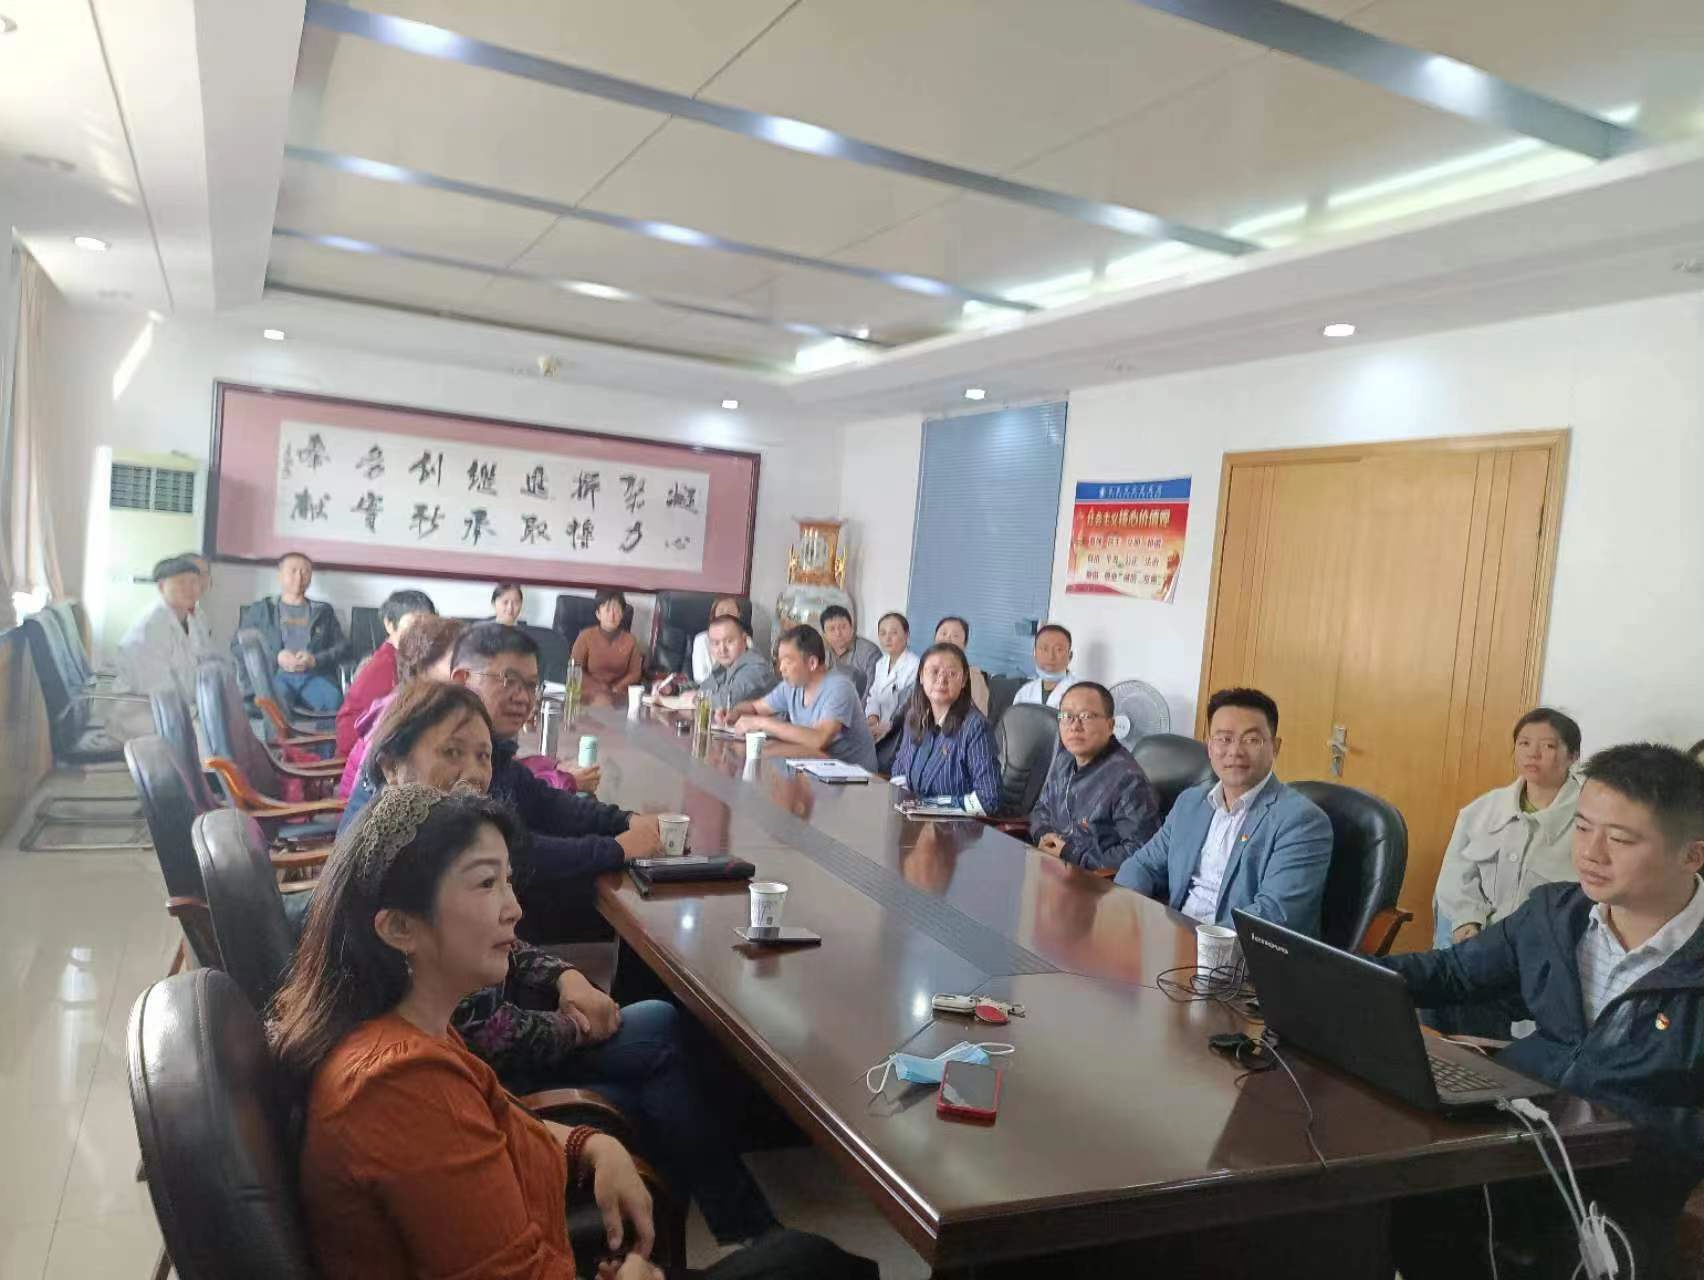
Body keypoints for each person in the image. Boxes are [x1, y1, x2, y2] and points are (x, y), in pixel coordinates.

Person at [271, 784, 874, 1280]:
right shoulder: (400, 1085)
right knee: (816, 1267)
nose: (514, 908)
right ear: (399, 928)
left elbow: (498, 1119)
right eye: (484, 884)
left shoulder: (411, 1029)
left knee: (808, 1260)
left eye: (509, 881)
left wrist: (590, 1145)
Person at [356, 695, 779, 1245]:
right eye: (452, 752)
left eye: (483, 756)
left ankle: (700, 1232)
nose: (475, 772)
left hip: (488, 1054)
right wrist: (577, 1024)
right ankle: (705, 1233)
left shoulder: (430, 836)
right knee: (658, 1063)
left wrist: (565, 978)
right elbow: (482, 1032)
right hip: (492, 1078)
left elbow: (496, 936)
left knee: (658, 1028)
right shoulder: (391, 867)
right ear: (392, 764)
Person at [1384, 743, 1704, 1280]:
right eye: (1582, 827)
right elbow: (1452, 973)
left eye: (1620, 839)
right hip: (1509, 1138)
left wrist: (1608, 1124)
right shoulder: (1557, 913)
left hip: (1619, 1180)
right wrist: (1335, 970)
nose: (1591, 853)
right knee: (1379, 1202)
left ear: (1692, 855)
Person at [1114, 688, 1333, 935]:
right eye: (1224, 739)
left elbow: (1274, 916)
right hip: (1175, 936)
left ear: (1275, 747)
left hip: (1237, 952)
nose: (1235, 751)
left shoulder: (1302, 821)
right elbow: (1142, 865)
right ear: (1210, 747)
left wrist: (1196, 943)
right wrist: (1125, 910)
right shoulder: (1191, 802)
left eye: (1252, 740)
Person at [1434, 708, 1584, 947]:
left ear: (1573, 756)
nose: (1532, 753)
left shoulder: (1591, 819)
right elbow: (1455, 875)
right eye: (1524, 743)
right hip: (1475, 940)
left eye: (1548, 746)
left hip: (1544, 948)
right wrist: (1467, 920)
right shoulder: (1481, 810)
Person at [1028, 682, 1161, 871]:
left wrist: (1072, 854)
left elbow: (1140, 852)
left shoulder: (1127, 780)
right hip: (1052, 867)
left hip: (1093, 881)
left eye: (1087, 716)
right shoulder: (1064, 759)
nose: (1075, 726)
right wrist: (1043, 834)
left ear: (1110, 725)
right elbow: (1041, 808)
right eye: (1067, 716)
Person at [338, 615, 465, 798]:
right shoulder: (402, 714)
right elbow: (371, 795)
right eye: (457, 661)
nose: (467, 670)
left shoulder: (447, 706)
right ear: (422, 666)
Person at [726, 625, 878, 772]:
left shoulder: (839, 687)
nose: (781, 668)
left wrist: (761, 723)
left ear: (812, 663)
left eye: (788, 661)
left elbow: (819, 739)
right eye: (780, 661)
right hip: (814, 767)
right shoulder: (791, 686)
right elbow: (755, 708)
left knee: (769, 754)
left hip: (854, 778)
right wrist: (734, 713)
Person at [889, 643, 1000, 815]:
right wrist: (905, 803)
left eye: (951, 674)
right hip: (913, 821)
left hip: (958, 828)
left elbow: (988, 799)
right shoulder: (914, 716)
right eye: (934, 672)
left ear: (964, 680)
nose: (941, 680)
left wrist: (928, 806)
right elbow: (899, 771)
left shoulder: (975, 727)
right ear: (921, 676)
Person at [234, 550, 349, 713]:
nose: (299, 577)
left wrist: (315, 660)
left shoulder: (323, 611)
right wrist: (276, 657)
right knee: (274, 707)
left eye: (305, 572)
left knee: (334, 701)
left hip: (312, 675)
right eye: (293, 571)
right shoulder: (261, 610)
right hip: (276, 676)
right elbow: (238, 646)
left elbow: (342, 647)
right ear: (280, 576)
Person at [109, 556, 210, 741]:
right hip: (144, 713)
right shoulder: (150, 628)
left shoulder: (194, 619)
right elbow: (160, 689)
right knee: (207, 739)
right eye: (181, 582)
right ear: (161, 587)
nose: (189, 588)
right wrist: (198, 712)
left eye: (194, 582)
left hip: (178, 709)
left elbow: (206, 664)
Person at [335, 589, 436, 757]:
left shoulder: (407, 659)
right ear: (389, 624)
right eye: (413, 625)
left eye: (428, 626)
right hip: (362, 758)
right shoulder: (384, 666)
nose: (421, 633)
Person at [570, 588, 642, 706]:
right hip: (589, 695)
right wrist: (599, 688)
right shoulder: (585, 636)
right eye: (607, 610)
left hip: (619, 695)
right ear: (598, 614)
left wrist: (617, 688)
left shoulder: (630, 640)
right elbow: (575, 670)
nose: (612, 615)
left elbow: (635, 673)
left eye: (617, 610)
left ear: (622, 614)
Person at [695, 613, 774, 709]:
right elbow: (703, 690)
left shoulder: (756, 668)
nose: (722, 649)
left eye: (729, 641)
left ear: (744, 640)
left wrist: (697, 699)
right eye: (716, 643)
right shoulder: (722, 667)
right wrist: (699, 697)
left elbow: (727, 702)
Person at [863, 612, 919, 740]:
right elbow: (874, 695)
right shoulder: (881, 663)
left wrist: (886, 727)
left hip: (899, 732)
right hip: (877, 727)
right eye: (883, 633)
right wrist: (872, 718)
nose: (887, 638)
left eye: (893, 633)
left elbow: (907, 708)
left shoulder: (915, 666)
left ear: (906, 635)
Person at [818, 605, 879, 701]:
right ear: (824, 634)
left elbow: (873, 691)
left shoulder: (869, 652)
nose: (838, 633)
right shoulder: (822, 653)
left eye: (843, 627)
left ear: (851, 628)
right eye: (832, 629)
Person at [1012, 624, 1081, 709]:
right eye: (1044, 649)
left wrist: (1060, 715)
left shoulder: (1082, 691)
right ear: (1034, 654)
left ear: (1070, 656)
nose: (1050, 656)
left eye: (1058, 650)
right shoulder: (1024, 692)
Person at [933, 616, 989, 715]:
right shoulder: (925, 670)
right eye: (943, 633)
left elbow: (980, 716)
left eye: (955, 636)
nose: (948, 639)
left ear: (964, 645)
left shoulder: (973, 677)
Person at [690, 595, 743, 683]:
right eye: (721, 611)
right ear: (713, 615)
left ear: (738, 615)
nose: (726, 615)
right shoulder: (702, 640)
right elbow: (700, 678)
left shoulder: (746, 641)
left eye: (731, 611)